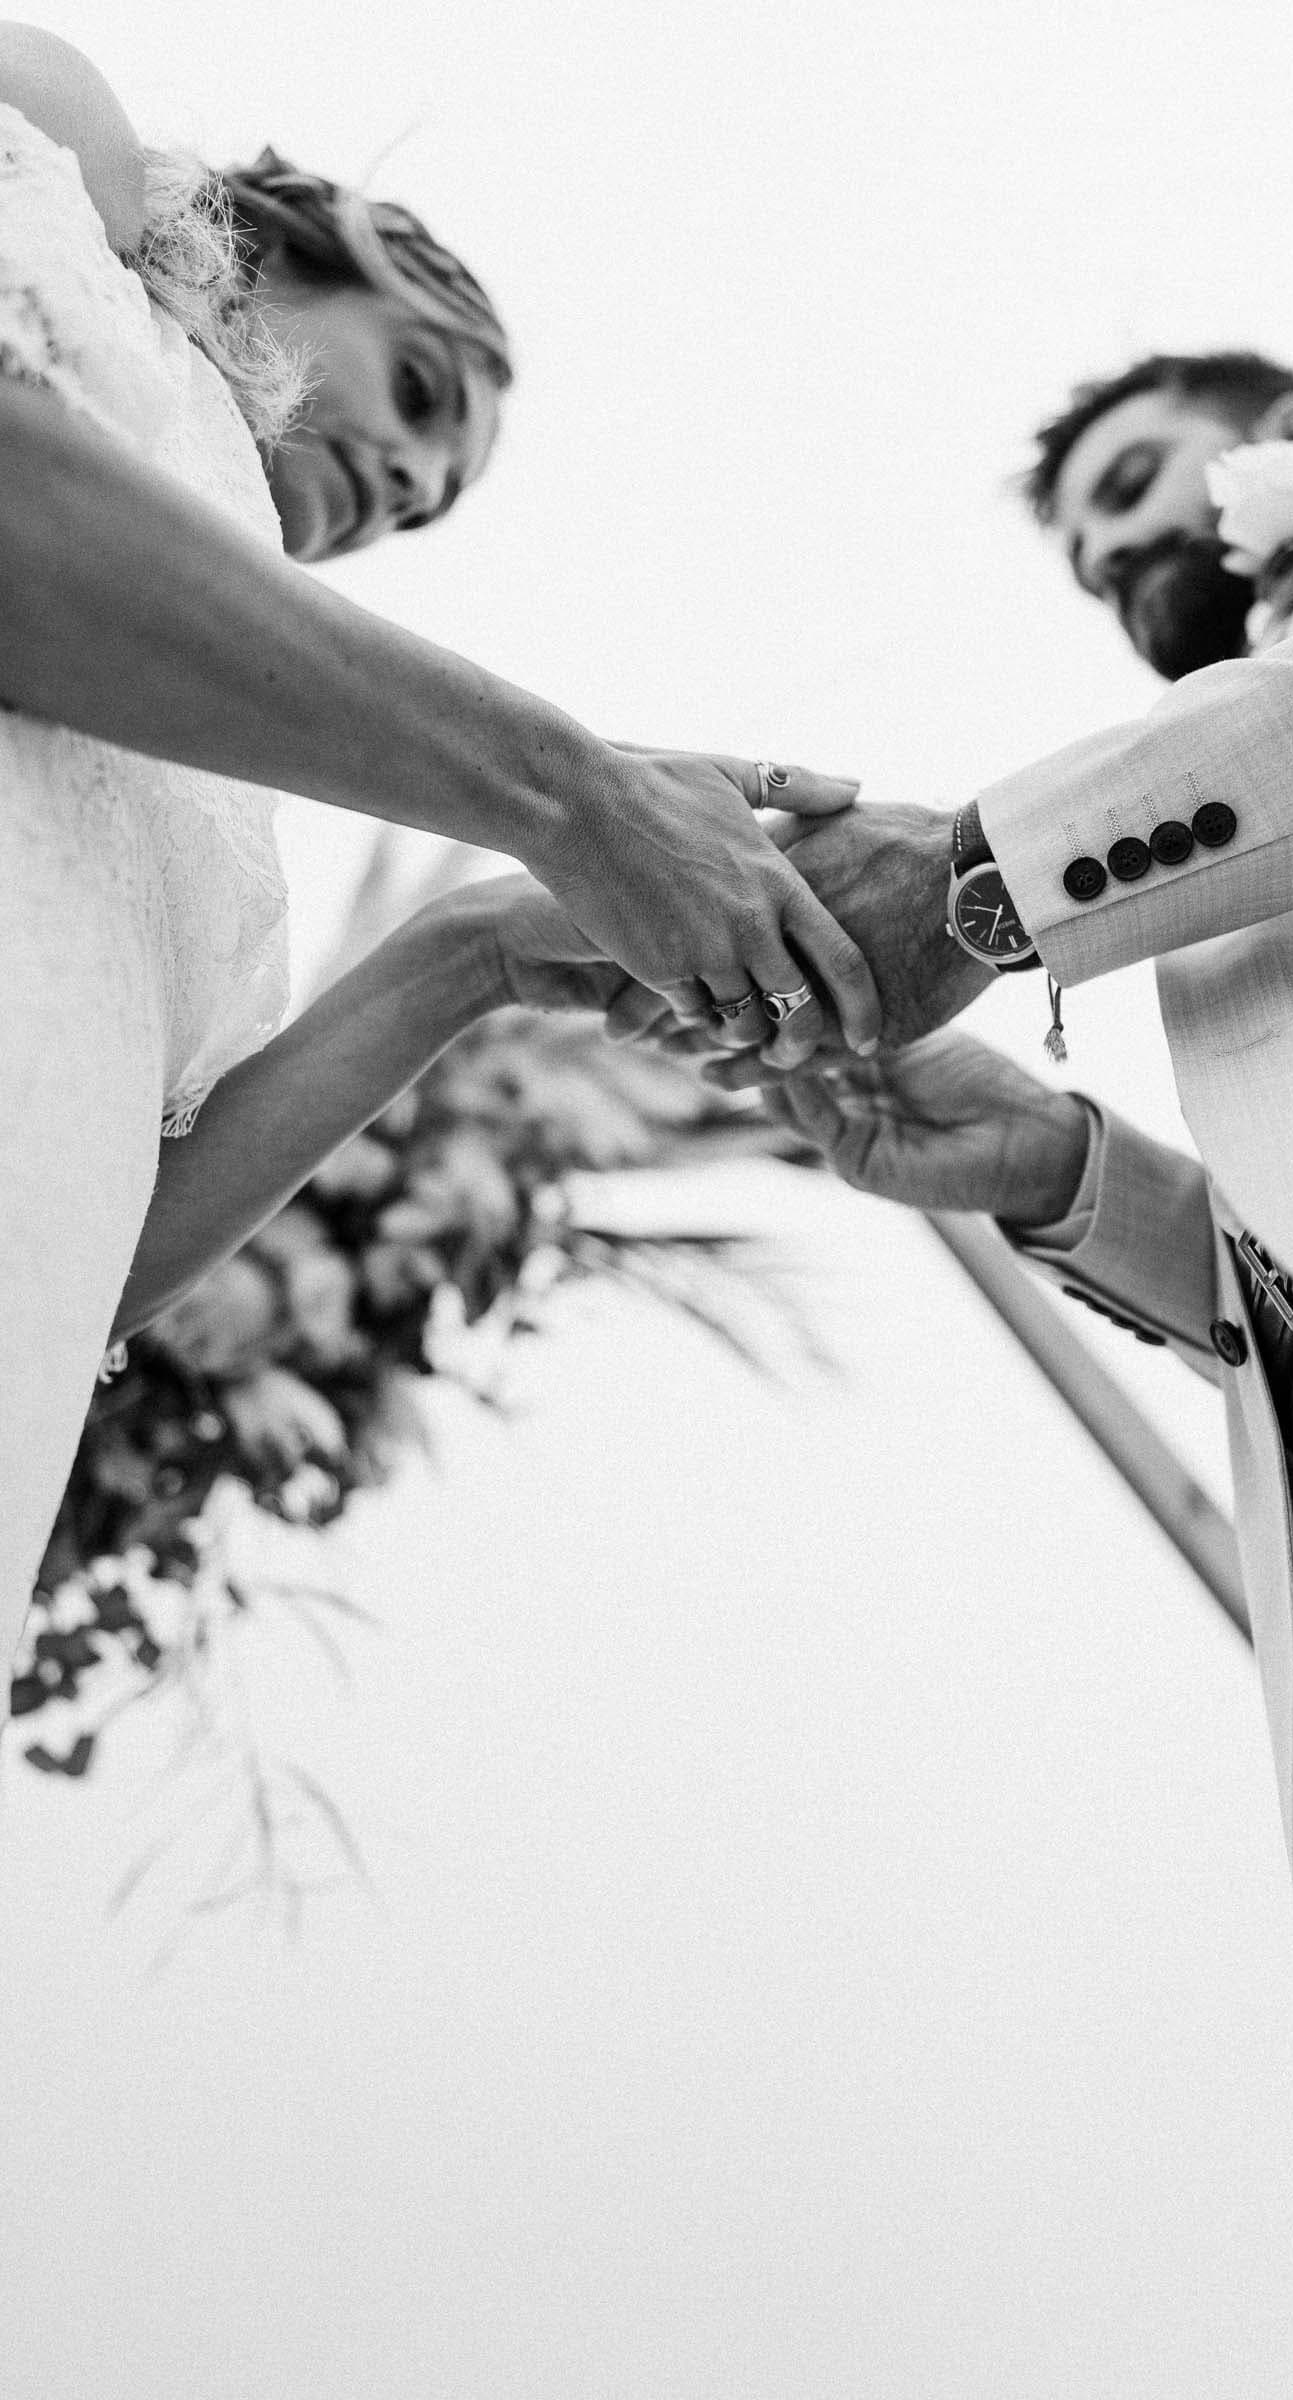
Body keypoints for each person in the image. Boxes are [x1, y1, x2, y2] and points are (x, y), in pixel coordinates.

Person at [699, 269, 1293, 2394]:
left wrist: (996, 877)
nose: (1122, 565)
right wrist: (1063, 1178)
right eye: (1093, 565)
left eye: (1131, 492)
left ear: (1285, 409)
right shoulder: (1231, 886)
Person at [0, 28, 880, 1699]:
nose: (400, 483)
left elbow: (94, 1255)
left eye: (423, 506)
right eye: (420, 395)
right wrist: (576, 794)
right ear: (345, 244)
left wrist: (471, 955)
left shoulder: (221, 779)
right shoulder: (71, 148)